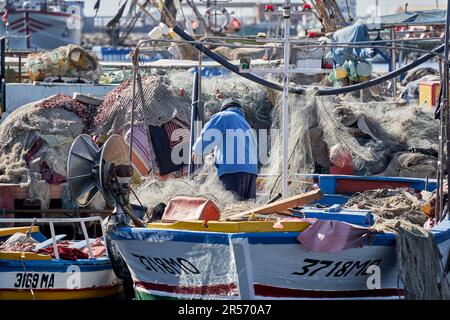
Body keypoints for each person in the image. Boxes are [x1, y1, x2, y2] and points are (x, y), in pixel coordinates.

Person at [192, 98, 258, 200]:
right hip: (252, 174)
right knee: (246, 211)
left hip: (233, 173)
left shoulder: (223, 116)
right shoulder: (246, 125)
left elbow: (208, 136)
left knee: (231, 210)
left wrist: (197, 151)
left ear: (224, 108)